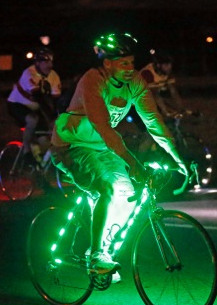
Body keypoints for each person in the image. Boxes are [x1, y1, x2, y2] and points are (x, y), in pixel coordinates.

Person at [50, 33, 188, 275]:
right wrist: (132, 162)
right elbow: (103, 127)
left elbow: (153, 120)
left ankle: (102, 247)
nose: (129, 68)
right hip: (72, 145)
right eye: (123, 63)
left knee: (128, 193)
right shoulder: (92, 81)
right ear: (107, 63)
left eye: (131, 62)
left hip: (102, 146)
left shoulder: (134, 82)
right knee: (106, 189)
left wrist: (178, 157)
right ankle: (96, 257)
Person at [7, 47, 61, 166]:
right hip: (17, 104)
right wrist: (52, 118)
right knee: (32, 120)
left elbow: (57, 101)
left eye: (51, 62)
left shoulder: (54, 76)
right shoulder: (29, 73)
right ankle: (27, 152)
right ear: (37, 63)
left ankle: (40, 168)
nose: (50, 65)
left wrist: (60, 117)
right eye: (46, 62)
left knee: (44, 139)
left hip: (35, 107)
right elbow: (39, 98)